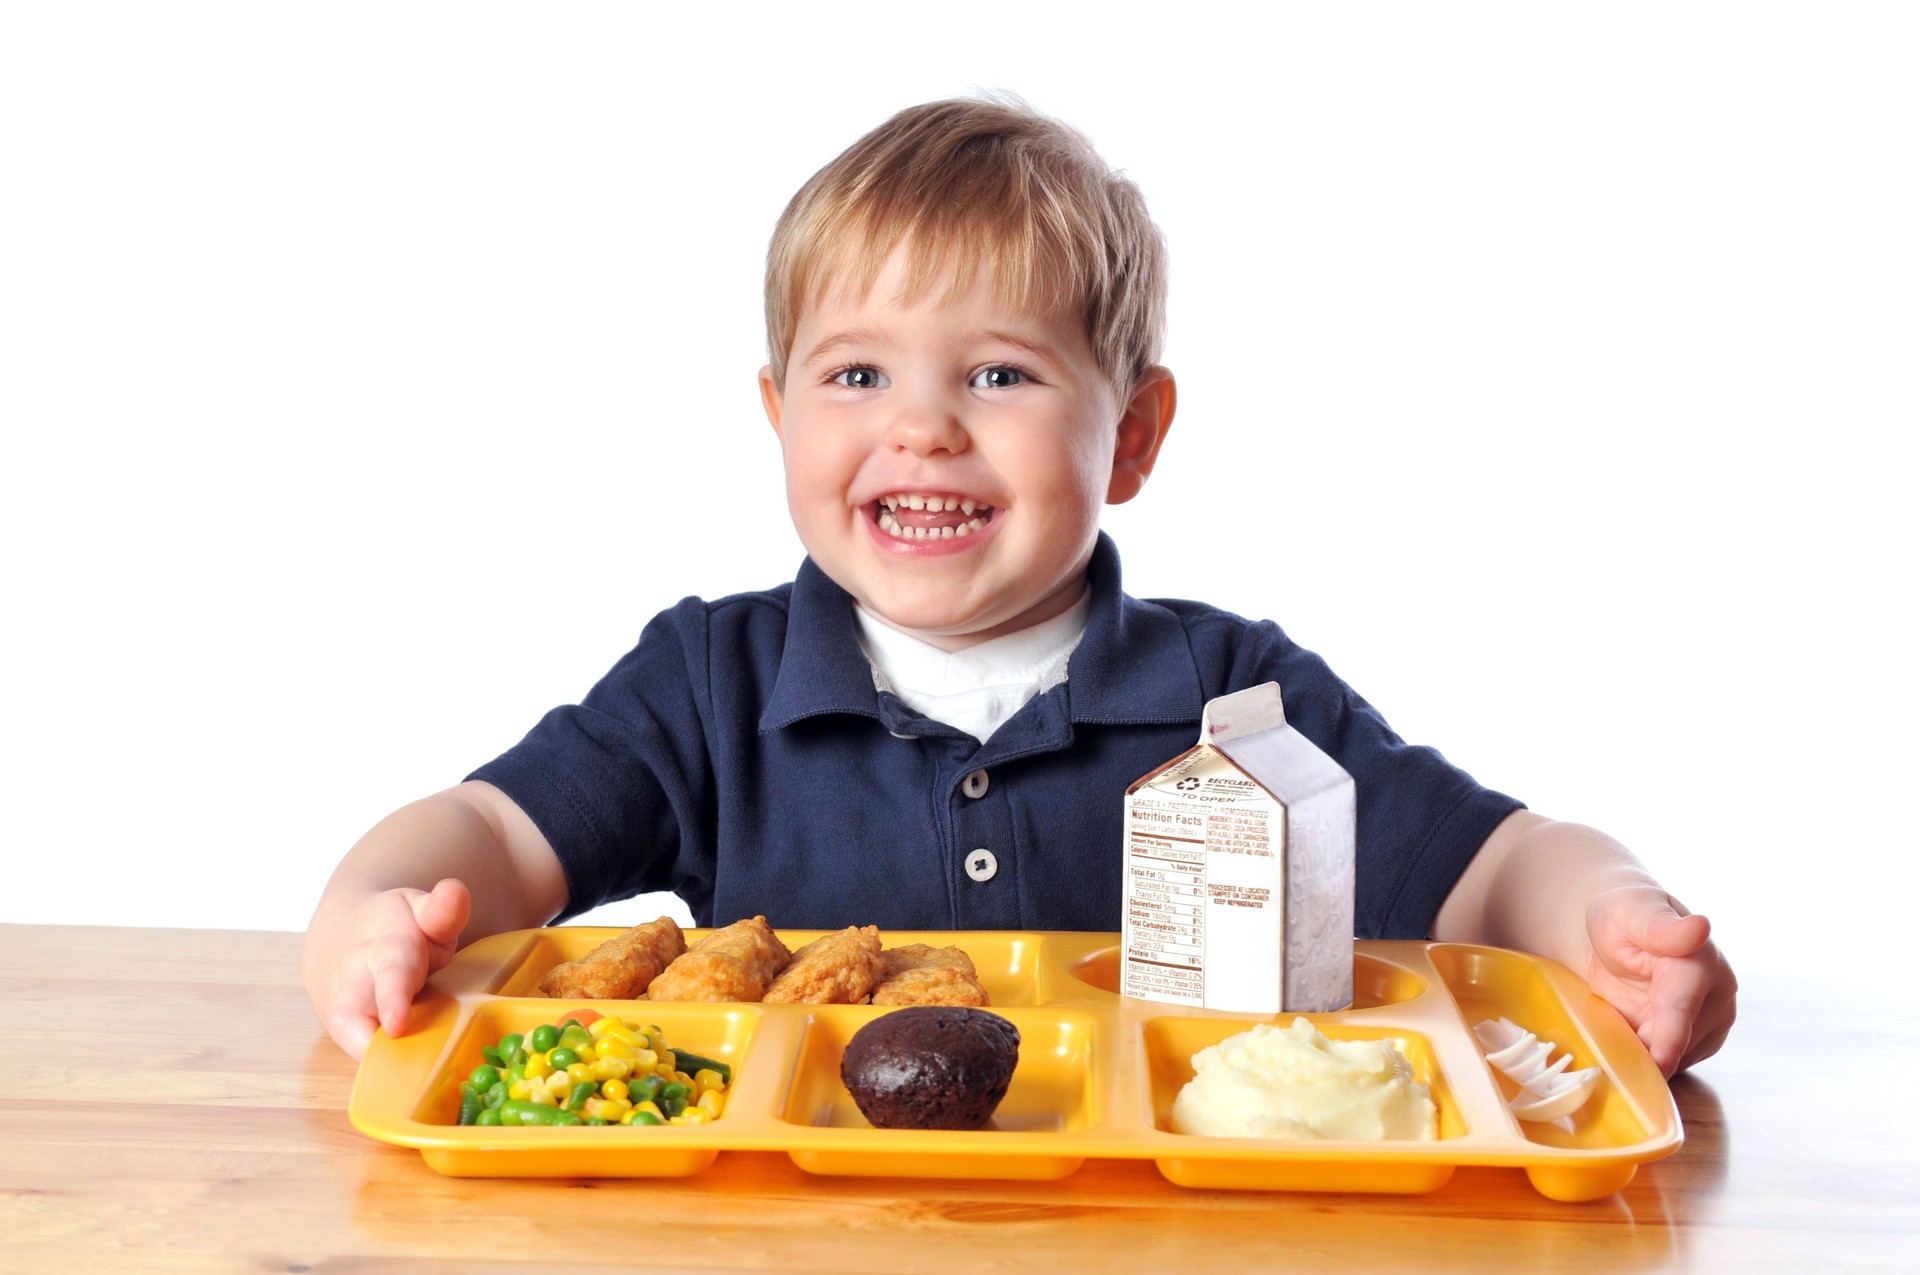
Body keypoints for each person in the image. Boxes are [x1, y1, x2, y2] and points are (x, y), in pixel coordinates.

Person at [302, 96, 1736, 1076]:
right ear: (776, 414)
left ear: (1138, 436)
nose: (922, 426)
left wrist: (1611, 918)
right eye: (856, 374)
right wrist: (372, 906)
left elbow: (1489, 870)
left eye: (998, 374)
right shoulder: (709, 680)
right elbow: (497, 828)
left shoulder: (1229, 695)